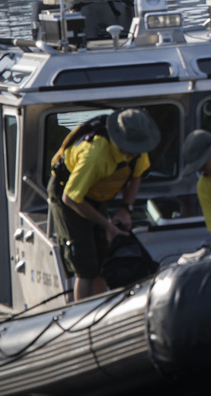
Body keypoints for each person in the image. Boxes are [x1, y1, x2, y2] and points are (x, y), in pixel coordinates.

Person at [48, 109, 160, 301]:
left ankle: (103, 309)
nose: (134, 151)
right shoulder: (96, 154)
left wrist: (126, 209)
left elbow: (135, 176)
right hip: (69, 195)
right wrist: (107, 225)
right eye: (130, 146)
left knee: (103, 260)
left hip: (96, 194)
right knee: (86, 267)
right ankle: (82, 317)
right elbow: (71, 198)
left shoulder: (139, 150)